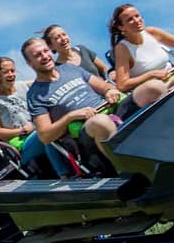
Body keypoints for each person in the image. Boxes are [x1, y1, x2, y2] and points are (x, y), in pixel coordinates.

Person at [22, 38, 164, 158]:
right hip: (87, 132)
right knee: (101, 122)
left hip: (110, 111)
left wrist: (109, 92)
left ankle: (165, 142)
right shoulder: (35, 95)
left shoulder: (70, 68)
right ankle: (128, 166)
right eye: (38, 55)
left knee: (154, 87)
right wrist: (70, 117)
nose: (45, 56)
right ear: (30, 63)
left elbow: (105, 87)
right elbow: (45, 136)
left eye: (46, 51)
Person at [0, 57, 71, 178]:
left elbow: (45, 81)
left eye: (12, 71)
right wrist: (23, 130)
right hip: (20, 146)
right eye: (6, 72)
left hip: (37, 129)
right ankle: (64, 175)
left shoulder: (23, 86)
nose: (10, 74)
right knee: (45, 133)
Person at [109, 4, 174, 102]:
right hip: (157, 87)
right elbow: (122, 84)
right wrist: (151, 75)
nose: (136, 20)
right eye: (130, 20)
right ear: (121, 27)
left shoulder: (151, 32)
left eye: (137, 16)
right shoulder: (122, 48)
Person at [43, 24, 112, 81]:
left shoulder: (81, 49)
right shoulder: (58, 69)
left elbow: (104, 68)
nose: (63, 39)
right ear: (51, 46)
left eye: (64, 34)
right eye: (57, 38)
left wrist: (110, 79)